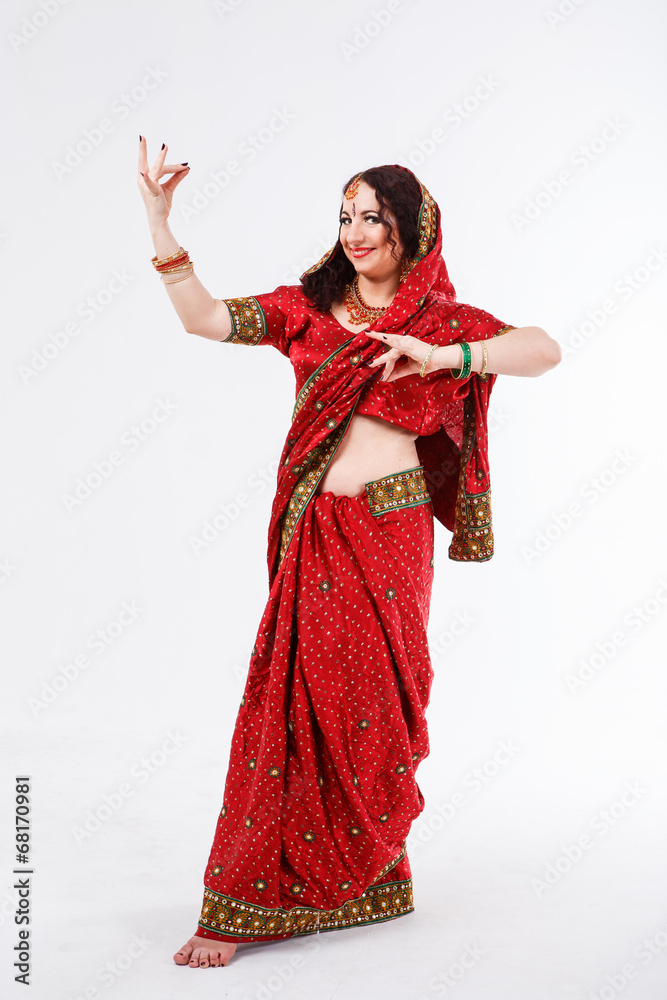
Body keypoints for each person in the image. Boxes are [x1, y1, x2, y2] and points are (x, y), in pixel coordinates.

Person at [136, 138, 561, 969]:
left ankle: (364, 873)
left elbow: (541, 349)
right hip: (316, 527)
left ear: (411, 229)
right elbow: (204, 318)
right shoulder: (307, 308)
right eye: (345, 216)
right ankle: (260, 895)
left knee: (375, 699)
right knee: (294, 702)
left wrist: (443, 357)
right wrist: (160, 220)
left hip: (390, 530)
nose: (355, 231)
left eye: (372, 216)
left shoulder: (441, 322)